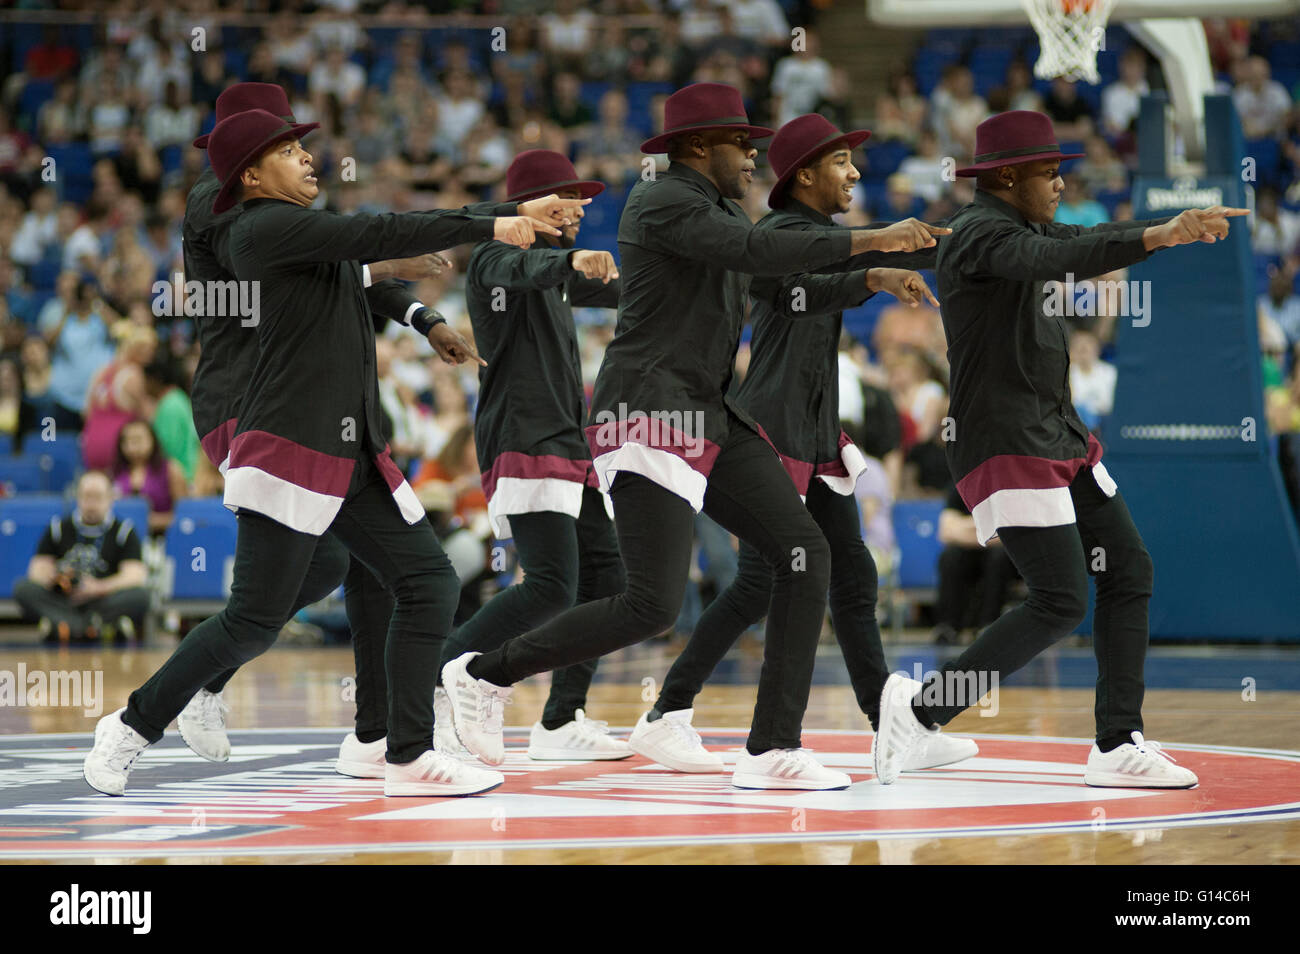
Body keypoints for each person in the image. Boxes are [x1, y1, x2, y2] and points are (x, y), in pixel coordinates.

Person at [442, 83, 949, 791]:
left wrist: (869, 276)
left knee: (803, 553)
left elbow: (775, 289)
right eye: (742, 144)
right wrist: (873, 238)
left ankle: (772, 746)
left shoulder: (715, 209)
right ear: (695, 147)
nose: (753, 157)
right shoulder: (663, 200)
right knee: (649, 604)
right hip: (646, 412)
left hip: (707, 413)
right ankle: (482, 674)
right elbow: (750, 251)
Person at [83, 106, 567, 799]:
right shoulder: (257, 229)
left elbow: (361, 255)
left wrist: (423, 306)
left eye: (304, 145)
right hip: (288, 443)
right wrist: (495, 221)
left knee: (423, 581)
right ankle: (130, 725)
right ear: (249, 172)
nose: (308, 156)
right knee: (251, 620)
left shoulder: (303, 238)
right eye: (287, 148)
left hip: (351, 443)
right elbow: (376, 231)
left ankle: (397, 749)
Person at [872, 110, 1249, 788]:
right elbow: (1057, 257)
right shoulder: (983, 235)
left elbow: (1086, 237)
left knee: (1128, 568)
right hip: (1006, 440)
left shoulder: (1026, 226)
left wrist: (1164, 232)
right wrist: (1160, 231)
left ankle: (1116, 742)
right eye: (1049, 172)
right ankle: (921, 710)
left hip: (1058, 434)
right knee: (1059, 600)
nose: (1060, 182)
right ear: (1008, 177)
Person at [629, 113, 975, 775]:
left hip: (813, 434)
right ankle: (674, 710)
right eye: (842, 163)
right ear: (806, 175)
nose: (855, 174)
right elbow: (791, 293)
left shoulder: (822, 235)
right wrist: (871, 271)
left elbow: (849, 272)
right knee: (772, 583)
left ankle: (885, 723)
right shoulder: (780, 235)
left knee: (849, 574)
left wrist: (904, 263)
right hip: (771, 430)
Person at [434, 150, 630, 762]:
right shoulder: (498, 255)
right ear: (532, 205)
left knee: (609, 579)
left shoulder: (553, 271)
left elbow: (610, 288)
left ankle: (561, 718)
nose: (579, 208)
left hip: (569, 441)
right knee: (550, 585)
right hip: (525, 435)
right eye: (565, 197)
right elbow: (523, 268)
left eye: (581, 198)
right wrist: (568, 258)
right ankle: (435, 681)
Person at [13, 470, 150, 643]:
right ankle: (90, 627)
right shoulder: (58, 528)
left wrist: (98, 587)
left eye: (98, 497)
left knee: (142, 596)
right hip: (65, 600)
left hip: (103, 599)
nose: (91, 504)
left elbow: (135, 576)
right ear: (77, 497)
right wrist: (57, 579)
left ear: (111, 498)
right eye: (86, 496)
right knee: (23, 589)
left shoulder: (124, 531)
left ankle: (67, 626)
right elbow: (36, 570)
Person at [112, 418, 187, 535]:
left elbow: (184, 513)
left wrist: (153, 521)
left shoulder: (170, 469)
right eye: (126, 441)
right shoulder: (116, 473)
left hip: (163, 536)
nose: (132, 447)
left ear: (152, 440)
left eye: (138, 440)